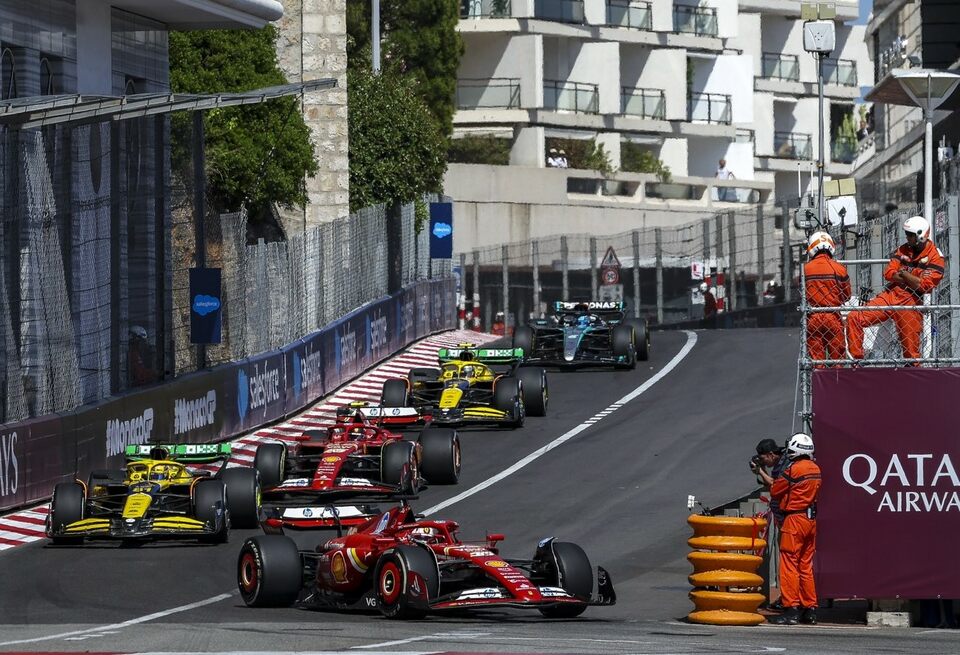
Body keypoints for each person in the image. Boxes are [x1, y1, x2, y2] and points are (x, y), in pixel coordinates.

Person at [846, 216, 944, 364]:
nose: (907, 237)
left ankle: (913, 376)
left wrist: (903, 273)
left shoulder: (935, 257)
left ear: (921, 235)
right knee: (855, 317)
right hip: (891, 294)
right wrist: (910, 278)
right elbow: (889, 273)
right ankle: (857, 363)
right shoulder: (903, 249)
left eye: (910, 235)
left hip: (911, 300)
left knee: (911, 350)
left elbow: (924, 285)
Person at [768, 433, 822, 626]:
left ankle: (791, 609)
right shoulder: (815, 468)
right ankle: (810, 609)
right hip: (811, 520)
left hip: (794, 520)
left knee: (789, 565)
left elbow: (775, 490)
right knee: (805, 566)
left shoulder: (793, 470)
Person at [804, 232, 851, 367]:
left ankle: (819, 385)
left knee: (817, 361)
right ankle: (836, 385)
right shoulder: (839, 269)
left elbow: (802, 294)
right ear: (831, 246)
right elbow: (847, 295)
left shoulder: (805, 269)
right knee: (837, 360)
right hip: (833, 316)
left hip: (813, 316)